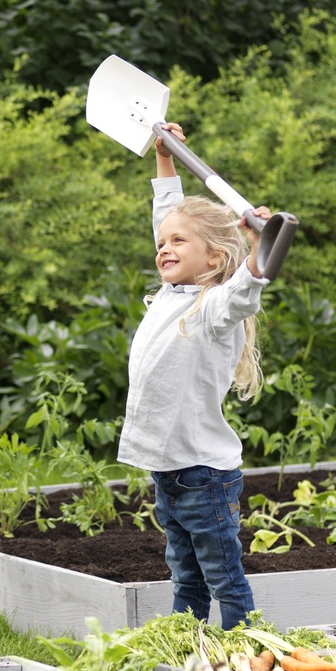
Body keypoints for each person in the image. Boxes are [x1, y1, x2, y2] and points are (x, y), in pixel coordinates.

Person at [117, 122, 270, 630]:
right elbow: (169, 216)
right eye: (163, 243)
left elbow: (247, 288)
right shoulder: (170, 294)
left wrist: (259, 248)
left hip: (203, 476)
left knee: (224, 578)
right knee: (185, 577)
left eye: (179, 242)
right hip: (170, 471)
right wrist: (165, 158)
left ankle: (247, 651)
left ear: (214, 256)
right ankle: (188, 651)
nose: (164, 247)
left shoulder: (213, 306)